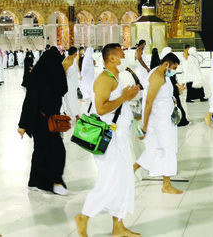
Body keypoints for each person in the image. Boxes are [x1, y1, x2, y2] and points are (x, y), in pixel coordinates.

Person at [75, 43, 141, 237]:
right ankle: (84, 216)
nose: (126, 56)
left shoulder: (116, 77)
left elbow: (118, 106)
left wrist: (128, 98)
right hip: (108, 140)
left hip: (119, 137)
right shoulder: (104, 79)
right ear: (112, 58)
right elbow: (101, 108)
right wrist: (124, 97)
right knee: (110, 182)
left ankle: (118, 226)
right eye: (123, 53)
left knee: (123, 181)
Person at [18, 47, 70, 195]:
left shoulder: (54, 76)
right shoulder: (38, 78)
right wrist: (22, 125)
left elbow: (62, 91)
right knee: (56, 151)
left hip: (52, 121)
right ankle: (54, 182)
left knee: (41, 151)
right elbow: (29, 102)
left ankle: (34, 182)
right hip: (39, 121)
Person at [134, 53, 184, 194]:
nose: (174, 70)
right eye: (174, 67)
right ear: (167, 64)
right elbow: (149, 102)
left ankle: (131, 170)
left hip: (165, 120)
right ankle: (166, 185)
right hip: (159, 124)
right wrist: (144, 126)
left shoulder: (162, 73)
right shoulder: (156, 77)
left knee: (155, 151)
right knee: (167, 151)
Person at [62, 47, 81, 120]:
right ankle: (76, 115)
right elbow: (62, 74)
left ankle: (72, 113)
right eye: (76, 53)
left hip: (74, 84)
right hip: (69, 84)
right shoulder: (65, 62)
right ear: (74, 53)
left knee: (74, 99)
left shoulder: (74, 59)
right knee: (70, 99)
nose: (76, 55)